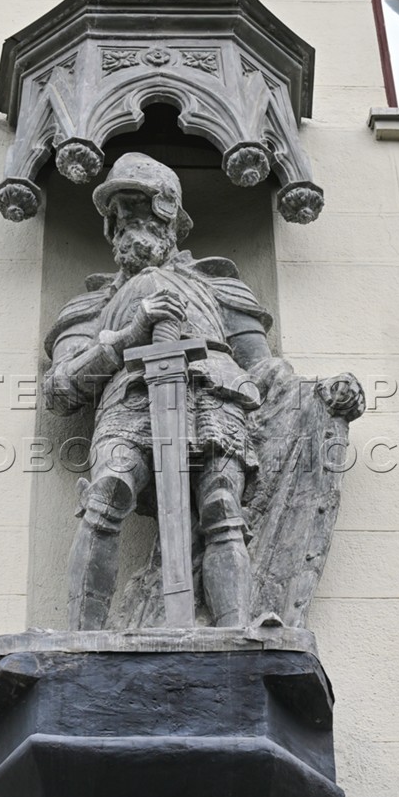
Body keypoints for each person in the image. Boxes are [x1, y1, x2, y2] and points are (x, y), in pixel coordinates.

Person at [43, 153, 275, 629]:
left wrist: (324, 392)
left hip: (215, 396)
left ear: (170, 218)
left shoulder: (218, 287)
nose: (128, 219)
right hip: (128, 399)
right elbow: (61, 388)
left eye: (141, 207)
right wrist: (128, 335)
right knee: (106, 494)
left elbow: (264, 368)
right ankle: (84, 636)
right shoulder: (91, 305)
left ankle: (236, 631)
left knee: (221, 506)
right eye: (119, 211)